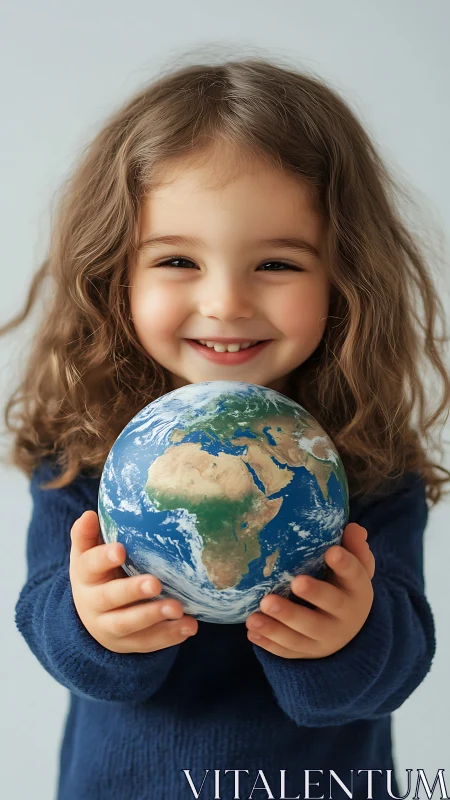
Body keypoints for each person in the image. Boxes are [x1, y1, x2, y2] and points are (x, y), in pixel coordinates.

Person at [3, 52, 450, 800]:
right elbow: (56, 636)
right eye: (178, 259)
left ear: (345, 278)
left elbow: (391, 669)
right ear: (117, 277)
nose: (226, 302)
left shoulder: (366, 461)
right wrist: (91, 623)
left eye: (276, 265)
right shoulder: (84, 455)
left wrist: (350, 637)